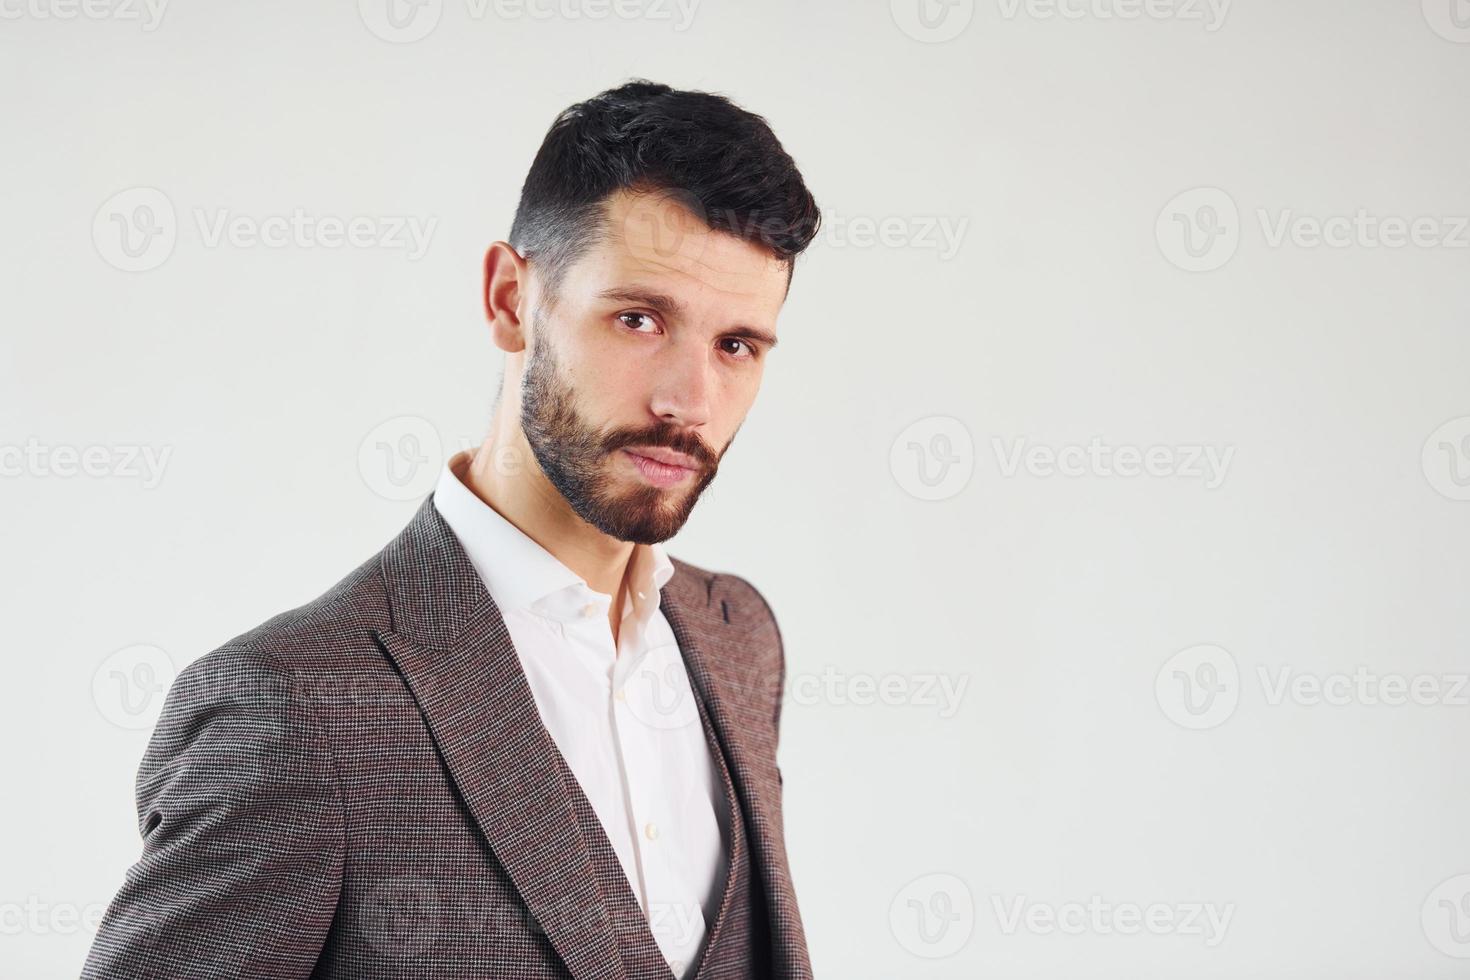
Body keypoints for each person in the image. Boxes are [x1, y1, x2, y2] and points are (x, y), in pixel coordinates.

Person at [82, 78, 822, 980]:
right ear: (511, 299)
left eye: (736, 345)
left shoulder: (737, 637)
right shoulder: (292, 707)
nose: (689, 402)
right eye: (638, 319)